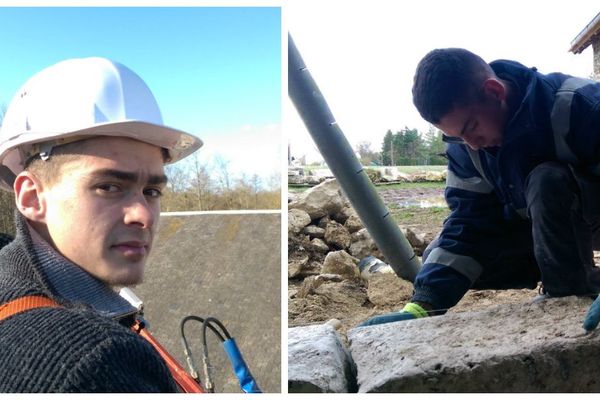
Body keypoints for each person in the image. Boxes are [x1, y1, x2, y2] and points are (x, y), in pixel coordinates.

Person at [0, 57, 202, 391]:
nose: (144, 215)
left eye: (152, 191)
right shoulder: (94, 364)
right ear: (33, 198)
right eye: (109, 187)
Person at [360, 47, 600, 327]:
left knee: (545, 179)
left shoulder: (580, 105)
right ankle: (573, 279)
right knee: (438, 258)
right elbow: (469, 225)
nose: (472, 143)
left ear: (495, 92)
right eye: (458, 137)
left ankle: (567, 295)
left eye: (471, 127)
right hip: (553, 228)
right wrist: (422, 306)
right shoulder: (468, 148)